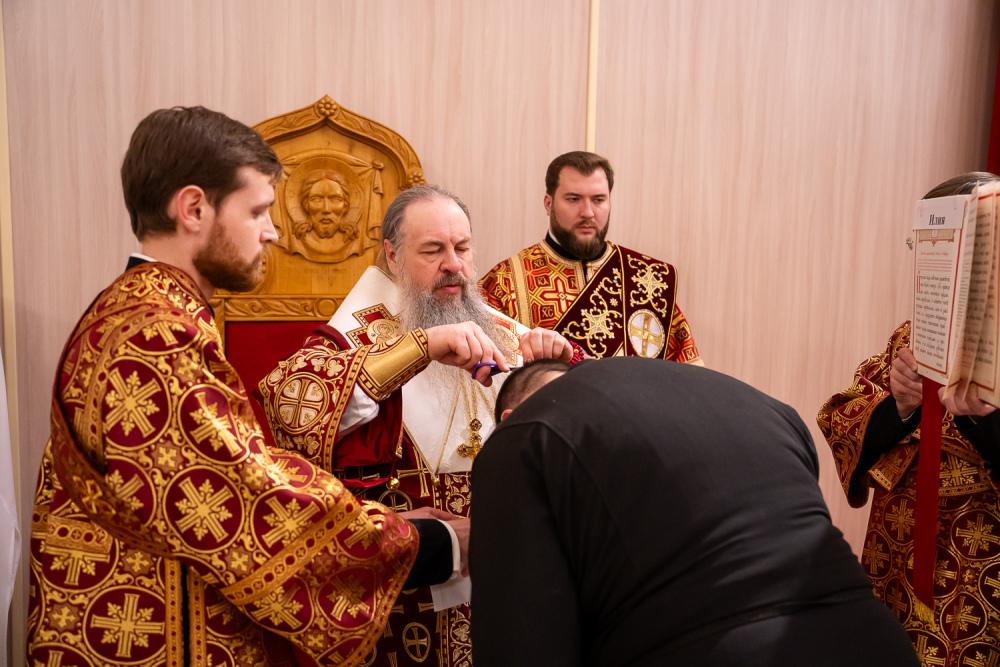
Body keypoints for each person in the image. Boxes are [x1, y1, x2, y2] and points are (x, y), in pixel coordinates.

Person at [25, 106, 472, 667]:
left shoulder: (147, 312)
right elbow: (251, 505)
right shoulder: (153, 333)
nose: (272, 231)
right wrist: (430, 544)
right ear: (193, 209)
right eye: (257, 210)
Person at [258, 184, 579, 666]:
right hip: (404, 607)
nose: (454, 265)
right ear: (392, 256)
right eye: (433, 251)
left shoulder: (506, 333)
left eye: (462, 248)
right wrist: (420, 347)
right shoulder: (350, 340)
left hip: (499, 592)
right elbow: (288, 404)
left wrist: (555, 368)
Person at [471, 358, 919, 666]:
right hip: (875, 642)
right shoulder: (750, 403)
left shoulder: (522, 437)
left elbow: (521, 643)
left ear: (507, 417)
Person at [818, 171, 1000, 667]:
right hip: (893, 559)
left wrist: (983, 420)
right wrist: (897, 405)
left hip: (977, 565)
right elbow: (841, 416)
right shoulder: (910, 336)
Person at [479, 151, 701, 362]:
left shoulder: (649, 279)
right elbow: (487, 376)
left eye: (598, 200)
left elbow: (684, 375)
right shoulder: (505, 282)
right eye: (573, 199)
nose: (587, 212)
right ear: (548, 203)